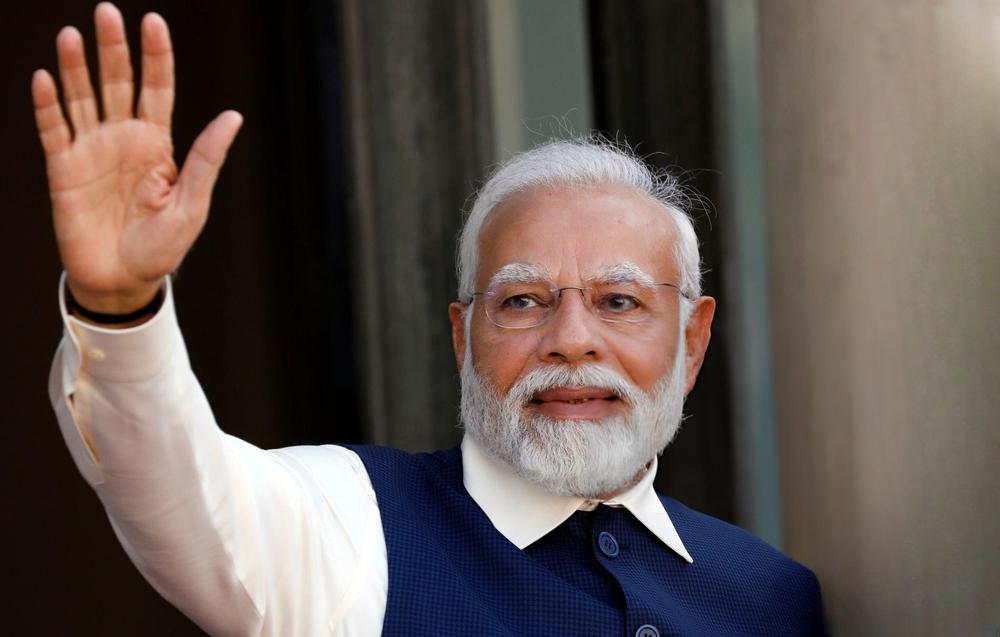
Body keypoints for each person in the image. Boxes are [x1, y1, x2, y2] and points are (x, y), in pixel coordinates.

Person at [36, 4, 825, 636]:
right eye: (523, 300)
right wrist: (118, 308)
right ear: (462, 337)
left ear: (691, 341)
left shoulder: (774, 597)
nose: (572, 337)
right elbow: (180, 493)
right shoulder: (353, 528)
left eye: (619, 301)